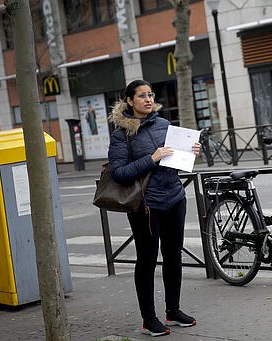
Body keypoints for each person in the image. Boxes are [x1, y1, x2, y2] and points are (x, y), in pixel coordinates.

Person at [108, 80, 201, 337]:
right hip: (146, 205)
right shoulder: (121, 135)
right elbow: (118, 174)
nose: (148, 99)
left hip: (174, 197)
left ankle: (173, 310)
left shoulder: (165, 125)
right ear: (129, 100)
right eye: (141, 96)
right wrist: (152, 158)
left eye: (150, 95)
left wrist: (192, 153)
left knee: (173, 256)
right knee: (147, 261)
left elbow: (178, 162)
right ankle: (149, 319)